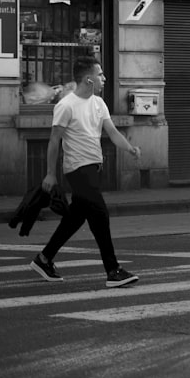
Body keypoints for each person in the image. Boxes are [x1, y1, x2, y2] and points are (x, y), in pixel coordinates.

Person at [30, 56, 141, 288]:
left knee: (73, 219)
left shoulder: (99, 104)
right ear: (89, 79)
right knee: (100, 215)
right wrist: (50, 174)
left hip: (93, 168)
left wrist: (129, 148)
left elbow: (112, 132)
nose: (104, 78)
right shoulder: (66, 105)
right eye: (100, 75)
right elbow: (54, 141)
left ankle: (44, 259)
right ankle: (113, 270)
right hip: (77, 170)